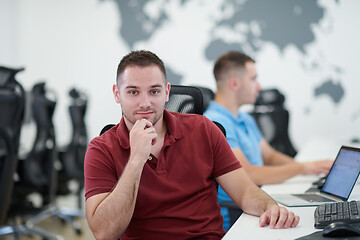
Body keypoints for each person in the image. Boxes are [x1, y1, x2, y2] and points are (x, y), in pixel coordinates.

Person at [84, 50, 300, 240]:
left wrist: (271, 208)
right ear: (116, 93)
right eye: (133, 92)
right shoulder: (101, 149)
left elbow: (244, 192)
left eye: (154, 91)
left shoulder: (203, 129)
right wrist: (136, 159)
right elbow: (105, 232)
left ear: (167, 92)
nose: (145, 103)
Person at [204, 50, 333, 230]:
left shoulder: (244, 118)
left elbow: (270, 156)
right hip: (238, 217)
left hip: (258, 203)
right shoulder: (214, 123)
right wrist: (302, 168)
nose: (258, 87)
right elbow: (248, 174)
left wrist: (310, 169)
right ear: (234, 83)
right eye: (253, 79)